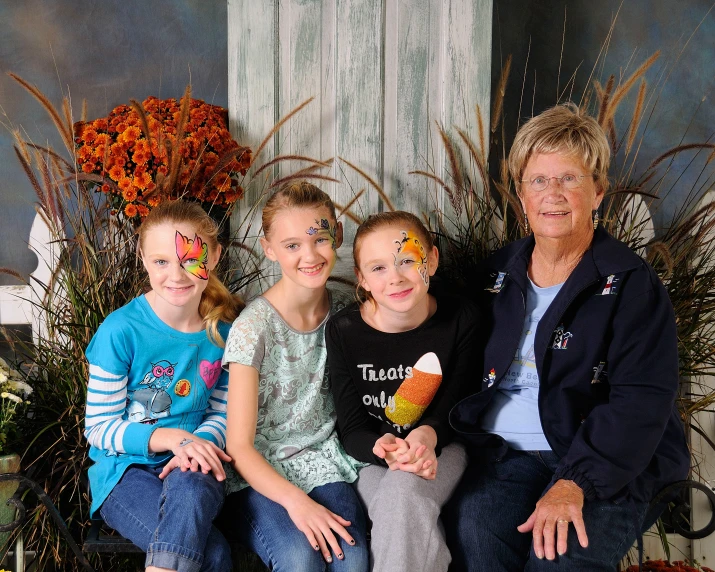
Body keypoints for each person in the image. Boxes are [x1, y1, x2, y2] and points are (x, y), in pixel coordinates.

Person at [445, 103, 690, 571]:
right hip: (503, 459)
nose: (552, 194)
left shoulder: (630, 284)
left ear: (598, 192)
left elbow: (640, 401)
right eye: (538, 180)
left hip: (603, 462)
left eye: (569, 179)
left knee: (557, 558)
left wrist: (574, 482)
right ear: (521, 195)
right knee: (476, 531)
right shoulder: (493, 275)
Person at [84, 200, 243, 572]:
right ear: (142, 258)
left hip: (197, 467)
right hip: (125, 473)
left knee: (194, 481)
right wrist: (173, 439)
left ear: (215, 256)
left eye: (191, 259)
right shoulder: (120, 331)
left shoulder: (224, 334)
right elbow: (99, 428)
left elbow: (223, 411)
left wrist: (197, 443)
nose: (177, 275)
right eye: (161, 262)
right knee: (214, 556)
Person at [222, 181, 369, 572]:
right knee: (298, 558)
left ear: (336, 234)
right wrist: (297, 503)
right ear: (269, 249)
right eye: (292, 246)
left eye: (320, 238)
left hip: (324, 463)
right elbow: (239, 447)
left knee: (351, 559)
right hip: (257, 475)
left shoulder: (345, 315)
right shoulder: (253, 328)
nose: (310, 255)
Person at [326, 211, 479, 572]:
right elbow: (352, 430)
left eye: (407, 260)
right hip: (372, 456)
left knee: (403, 494)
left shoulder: (462, 318)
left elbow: (458, 405)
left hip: (443, 448)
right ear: (361, 279)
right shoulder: (345, 331)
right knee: (402, 503)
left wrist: (427, 434)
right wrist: (381, 449)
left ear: (433, 259)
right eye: (377, 268)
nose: (394, 277)